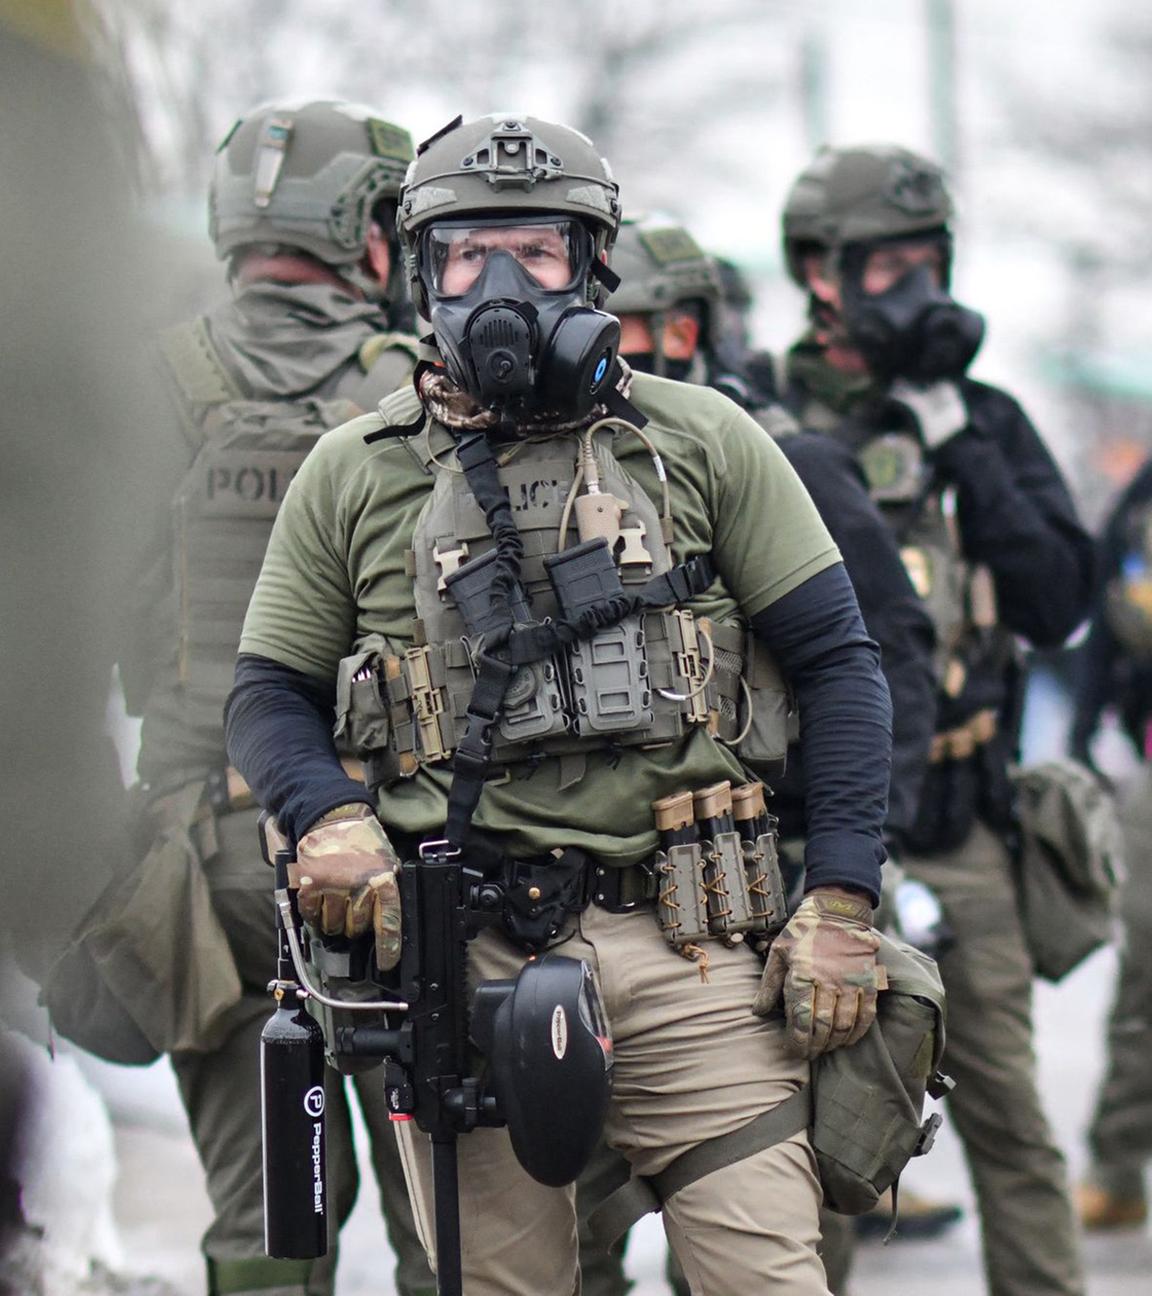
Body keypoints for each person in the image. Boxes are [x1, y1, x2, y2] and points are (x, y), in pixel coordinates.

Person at [225, 112, 895, 1296]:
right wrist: (327, 816)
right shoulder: (353, 470)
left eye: (535, 251)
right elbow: (268, 692)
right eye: (468, 251)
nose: (499, 283)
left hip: (699, 957)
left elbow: (841, 663)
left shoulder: (706, 441)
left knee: (768, 1279)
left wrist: (840, 897)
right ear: (418, 270)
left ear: (593, 264)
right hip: (468, 963)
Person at [766, 143, 1095, 1296]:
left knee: (1010, 1119)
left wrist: (958, 439)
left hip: (963, 830)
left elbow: (1060, 603)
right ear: (818, 270)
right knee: (815, 1145)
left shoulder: (983, 422)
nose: (909, 283)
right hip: (814, 846)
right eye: (881, 262)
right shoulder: (753, 415)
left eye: (925, 260)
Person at [116, 101, 433, 1296]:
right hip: (399, 858)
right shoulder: (421, 391)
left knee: (263, 1226)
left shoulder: (147, 389)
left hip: (201, 859)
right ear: (364, 228)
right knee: (448, 1223)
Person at [1070, 457, 1152, 1231]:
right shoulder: (1140, 506)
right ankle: (1120, 1167)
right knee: (1146, 979)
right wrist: (1084, 731)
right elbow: (1111, 622)